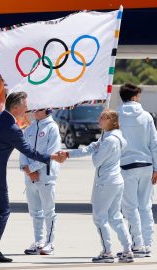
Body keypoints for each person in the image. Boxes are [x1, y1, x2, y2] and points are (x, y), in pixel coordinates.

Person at [0, 92, 65, 263]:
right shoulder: (13, 129)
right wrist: (52, 157)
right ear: (15, 107)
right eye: (24, 105)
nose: (27, 108)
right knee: (3, 211)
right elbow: (30, 152)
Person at [62, 109, 134, 263]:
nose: (99, 120)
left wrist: (97, 149)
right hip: (115, 180)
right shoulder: (112, 137)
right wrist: (68, 154)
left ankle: (107, 252)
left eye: (103, 118)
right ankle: (127, 249)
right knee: (115, 217)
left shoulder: (109, 140)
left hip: (106, 182)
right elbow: (89, 149)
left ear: (112, 121)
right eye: (100, 117)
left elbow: (96, 161)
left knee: (99, 218)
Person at [117, 83, 157, 257]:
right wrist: (156, 167)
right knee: (145, 206)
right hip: (146, 166)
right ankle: (148, 244)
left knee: (130, 207)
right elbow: (154, 143)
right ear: (134, 96)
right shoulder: (147, 116)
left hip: (126, 166)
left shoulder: (117, 116)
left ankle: (138, 243)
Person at [20, 108, 61, 255]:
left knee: (49, 211)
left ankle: (50, 243)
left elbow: (51, 153)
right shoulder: (29, 128)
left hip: (46, 176)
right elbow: (23, 150)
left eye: (39, 109)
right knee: (35, 211)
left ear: (47, 110)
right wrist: (27, 170)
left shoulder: (52, 127)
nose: (34, 111)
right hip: (30, 177)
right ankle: (38, 241)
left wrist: (33, 168)